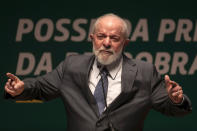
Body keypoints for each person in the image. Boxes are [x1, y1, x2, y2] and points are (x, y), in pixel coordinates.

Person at [4, 13, 192, 131]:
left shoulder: (144, 72)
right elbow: (39, 88)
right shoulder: (72, 66)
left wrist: (176, 100)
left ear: (125, 43)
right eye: (101, 36)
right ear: (93, 39)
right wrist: (20, 89)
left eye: (114, 38)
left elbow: (172, 108)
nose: (107, 43)